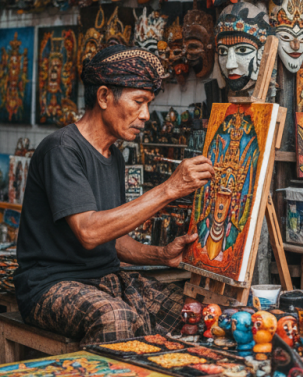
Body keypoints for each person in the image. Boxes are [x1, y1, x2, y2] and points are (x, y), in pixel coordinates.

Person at [14, 45, 215, 346]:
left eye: (148, 104)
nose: (146, 115)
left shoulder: (114, 156)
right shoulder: (61, 149)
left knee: (193, 315)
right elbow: (90, 232)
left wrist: (161, 254)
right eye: (139, 102)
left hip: (106, 280)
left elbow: (115, 240)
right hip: (50, 285)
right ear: (104, 97)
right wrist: (169, 189)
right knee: (115, 317)